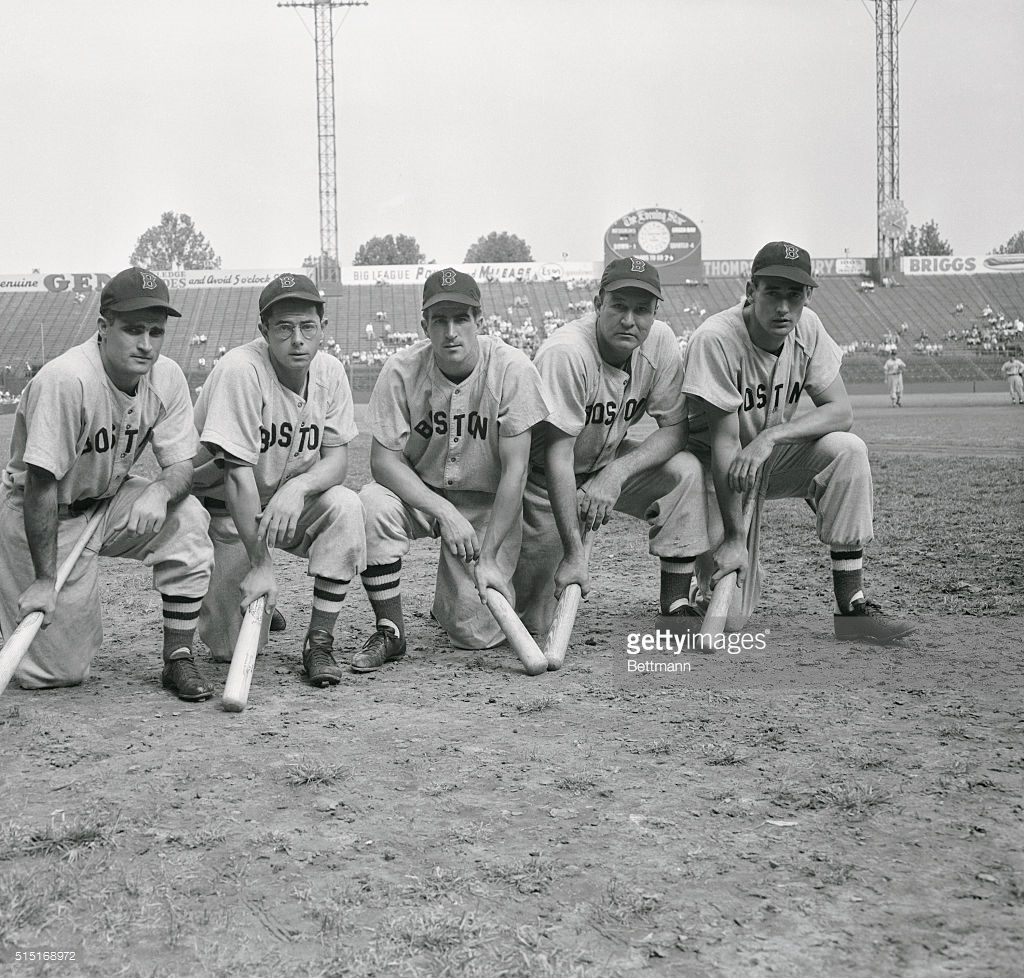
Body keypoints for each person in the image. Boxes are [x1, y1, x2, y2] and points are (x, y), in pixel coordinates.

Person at [674, 241, 914, 643]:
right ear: (750, 291)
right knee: (732, 620)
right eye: (772, 293)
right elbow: (726, 444)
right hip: (711, 470)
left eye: (795, 295)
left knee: (847, 451)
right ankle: (701, 579)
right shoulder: (715, 338)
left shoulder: (809, 328)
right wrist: (735, 539)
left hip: (767, 456)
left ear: (807, 296)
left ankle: (851, 607)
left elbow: (841, 412)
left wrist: (772, 436)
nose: (784, 307)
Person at [0, 268, 216, 700]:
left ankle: (177, 657)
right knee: (57, 673)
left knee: (188, 518)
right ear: (103, 328)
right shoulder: (67, 380)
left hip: (106, 501)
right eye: (133, 329)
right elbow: (41, 487)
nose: (146, 344)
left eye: (156, 332)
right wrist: (44, 580)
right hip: (44, 516)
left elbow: (181, 466)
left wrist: (157, 490)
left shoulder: (167, 376)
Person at [353, 268, 549, 671]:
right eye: (439, 320)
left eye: (461, 318)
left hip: (487, 502)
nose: (450, 331)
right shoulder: (400, 370)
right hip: (420, 494)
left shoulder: (512, 369)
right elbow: (383, 461)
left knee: (476, 636)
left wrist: (489, 557)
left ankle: (453, 603)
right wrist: (443, 511)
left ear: (480, 321)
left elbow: (517, 472)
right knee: (370, 504)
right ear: (424, 325)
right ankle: (391, 629)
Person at [191, 273, 366, 687]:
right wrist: (261, 563)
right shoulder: (240, 369)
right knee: (227, 649)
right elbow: (235, 478)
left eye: (307, 326)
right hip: (223, 508)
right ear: (264, 330)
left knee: (346, 505)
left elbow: (337, 462)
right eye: (284, 327)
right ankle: (251, 596)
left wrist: (298, 487)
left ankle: (319, 641)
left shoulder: (331, 372)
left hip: (285, 503)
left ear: (322, 328)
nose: (298, 339)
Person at [512, 257, 693, 635]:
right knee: (530, 623)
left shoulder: (659, 341)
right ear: (598, 304)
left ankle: (675, 603)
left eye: (642, 310)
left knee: (686, 472)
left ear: (655, 312)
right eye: (619, 306)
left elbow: (675, 429)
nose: (630, 320)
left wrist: (616, 473)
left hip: (605, 464)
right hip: (543, 482)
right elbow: (558, 456)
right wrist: (576, 554)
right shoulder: (566, 353)